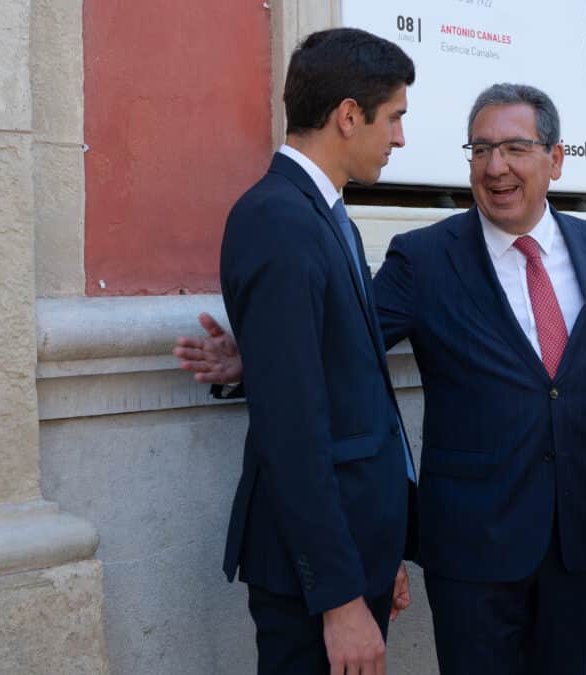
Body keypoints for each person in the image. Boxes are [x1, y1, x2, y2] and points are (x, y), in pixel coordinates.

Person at [177, 83, 586, 675]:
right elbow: (343, 344)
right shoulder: (424, 258)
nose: (494, 167)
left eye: (513, 148)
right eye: (479, 150)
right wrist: (253, 359)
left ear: (556, 160)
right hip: (473, 547)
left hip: (574, 536)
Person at [212, 27, 417, 674]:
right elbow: (293, 432)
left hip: (357, 556)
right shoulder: (278, 218)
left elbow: (335, 376)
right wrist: (339, 599)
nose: (400, 139)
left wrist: (382, 558)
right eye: (395, 119)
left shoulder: (327, 217)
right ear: (348, 116)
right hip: (316, 582)